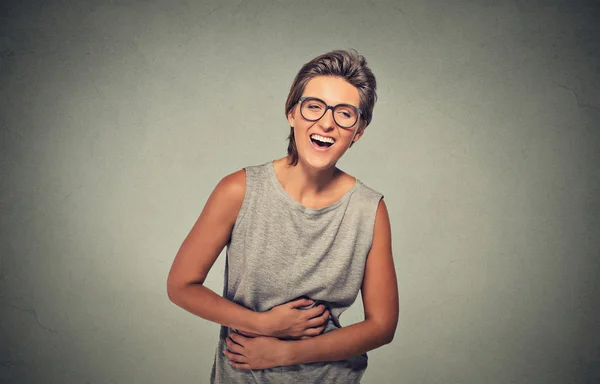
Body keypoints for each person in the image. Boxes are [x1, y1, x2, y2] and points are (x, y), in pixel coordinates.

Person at [167, 49, 399, 383]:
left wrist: (287, 353)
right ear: (292, 112)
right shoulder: (239, 190)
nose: (326, 122)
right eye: (314, 106)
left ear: (358, 130)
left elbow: (382, 326)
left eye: (345, 113)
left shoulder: (368, 209)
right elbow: (181, 286)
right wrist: (263, 325)